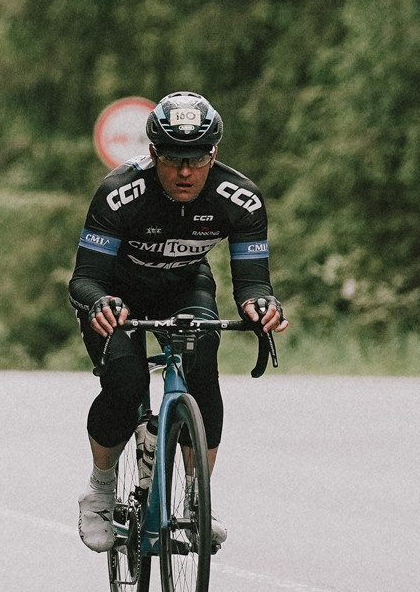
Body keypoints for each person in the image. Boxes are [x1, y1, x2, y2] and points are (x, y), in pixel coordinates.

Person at [66, 91, 286, 554]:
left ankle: (196, 497)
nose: (185, 171)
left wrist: (261, 307)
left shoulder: (240, 199)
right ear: (152, 153)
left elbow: (253, 285)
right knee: (125, 385)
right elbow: (84, 279)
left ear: (215, 154)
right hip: (116, 294)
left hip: (185, 289)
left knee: (203, 364)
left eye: (197, 158)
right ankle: (100, 491)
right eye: (172, 158)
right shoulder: (120, 192)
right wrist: (101, 302)